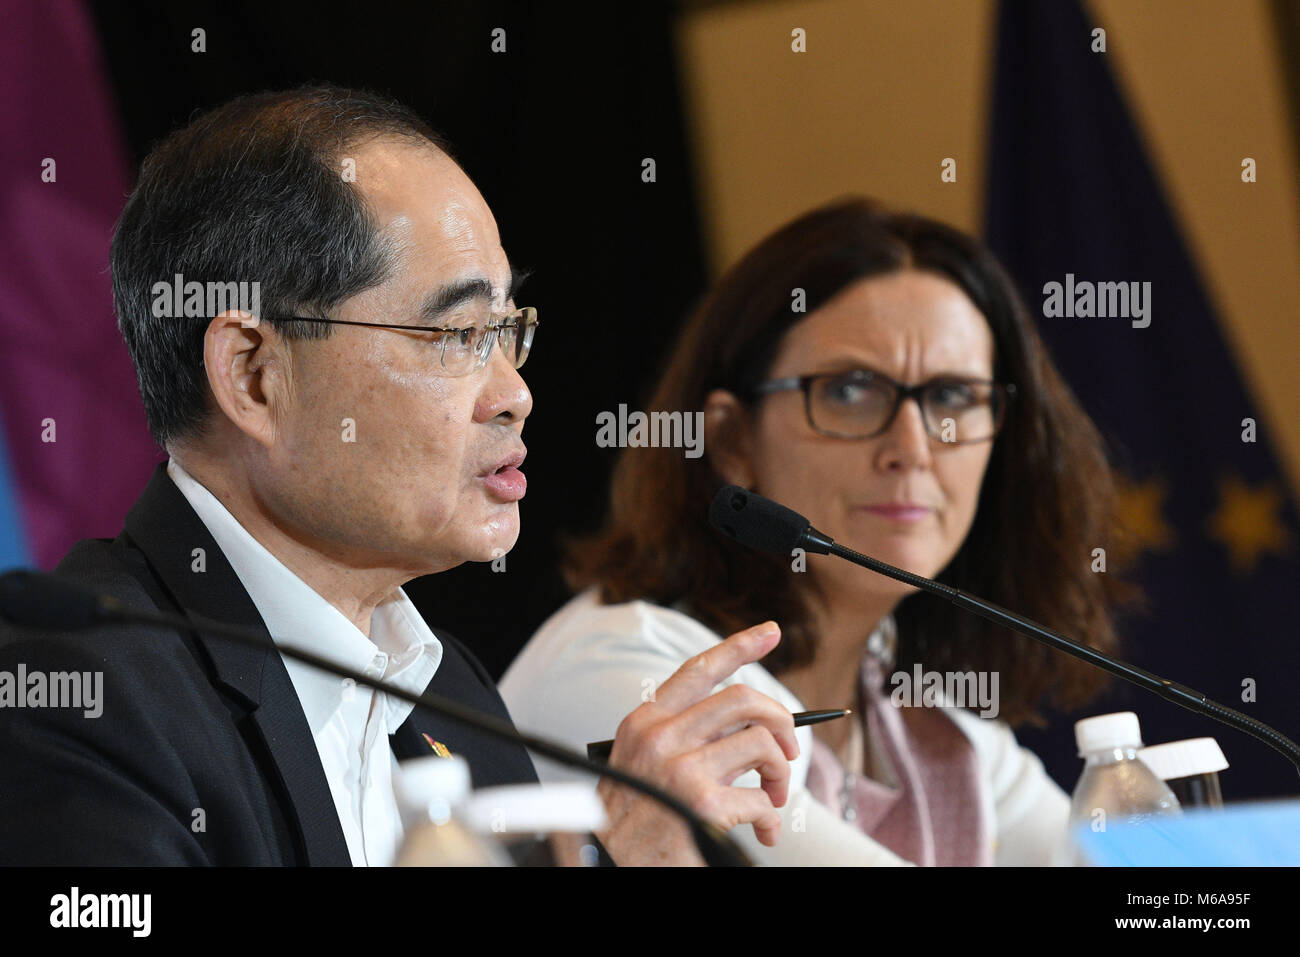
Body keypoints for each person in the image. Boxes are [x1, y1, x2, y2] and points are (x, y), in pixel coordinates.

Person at [0, 86, 808, 867]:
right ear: (253, 375)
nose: (515, 394)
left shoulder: (452, 691)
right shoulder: (74, 692)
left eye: (507, 329)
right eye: (456, 333)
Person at [501, 197, 1140, 866]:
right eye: (851, 390)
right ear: (731, 440)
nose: (913, 447)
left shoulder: (931, 727)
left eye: (952, 396)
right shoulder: (629, 669)